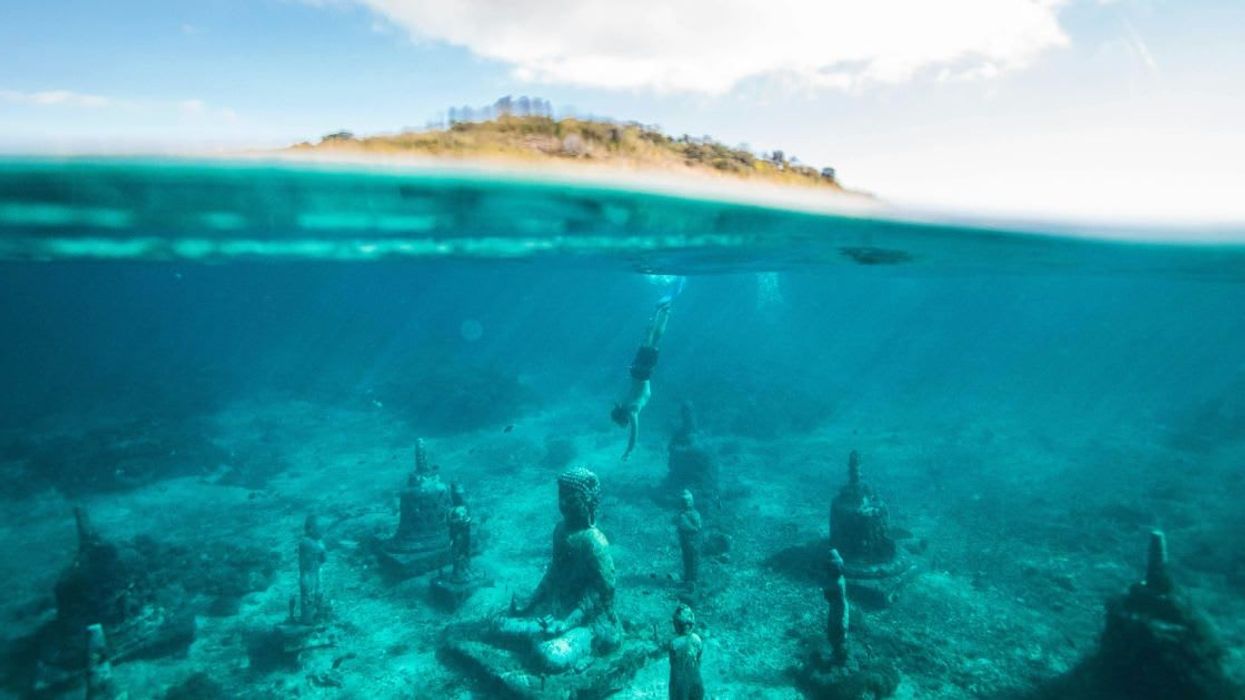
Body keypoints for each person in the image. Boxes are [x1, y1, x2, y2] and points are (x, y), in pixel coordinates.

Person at [613, 279, 683, 460]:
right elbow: (629, 387)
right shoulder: (624, 403)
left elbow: (634, 434)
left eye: (623, 423)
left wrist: (629, 451)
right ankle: (662, 311)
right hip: (637, 371)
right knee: (650, 338)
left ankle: (662, 309)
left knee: (653, 337)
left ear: (624, 418)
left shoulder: (632, 411)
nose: (626, 424)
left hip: (643, 372)